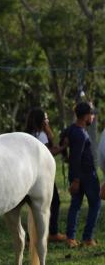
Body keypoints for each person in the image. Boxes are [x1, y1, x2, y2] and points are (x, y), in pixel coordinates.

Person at [25, 108, 67, 243]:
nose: (48, 121)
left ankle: (31, 236)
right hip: (42, 175)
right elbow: (48, 153)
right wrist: (63, 147)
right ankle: (52, 232)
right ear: (41, 120)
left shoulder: (29, 134)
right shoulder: (41, 135)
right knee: (55, 202)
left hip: (29, 174)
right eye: (46, 118)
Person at [65, 101, 101, 248]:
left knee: (75, 205)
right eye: (91, 114)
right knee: (96, 204)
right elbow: (76, 157)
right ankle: (87, 238)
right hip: (85, 175)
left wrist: (73, 176)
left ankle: (70, 238)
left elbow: (64, 142)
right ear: (86, 116)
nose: (93, 117)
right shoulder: (80, 134)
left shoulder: (72, 129)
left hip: (78, 174)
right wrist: (76, 180)